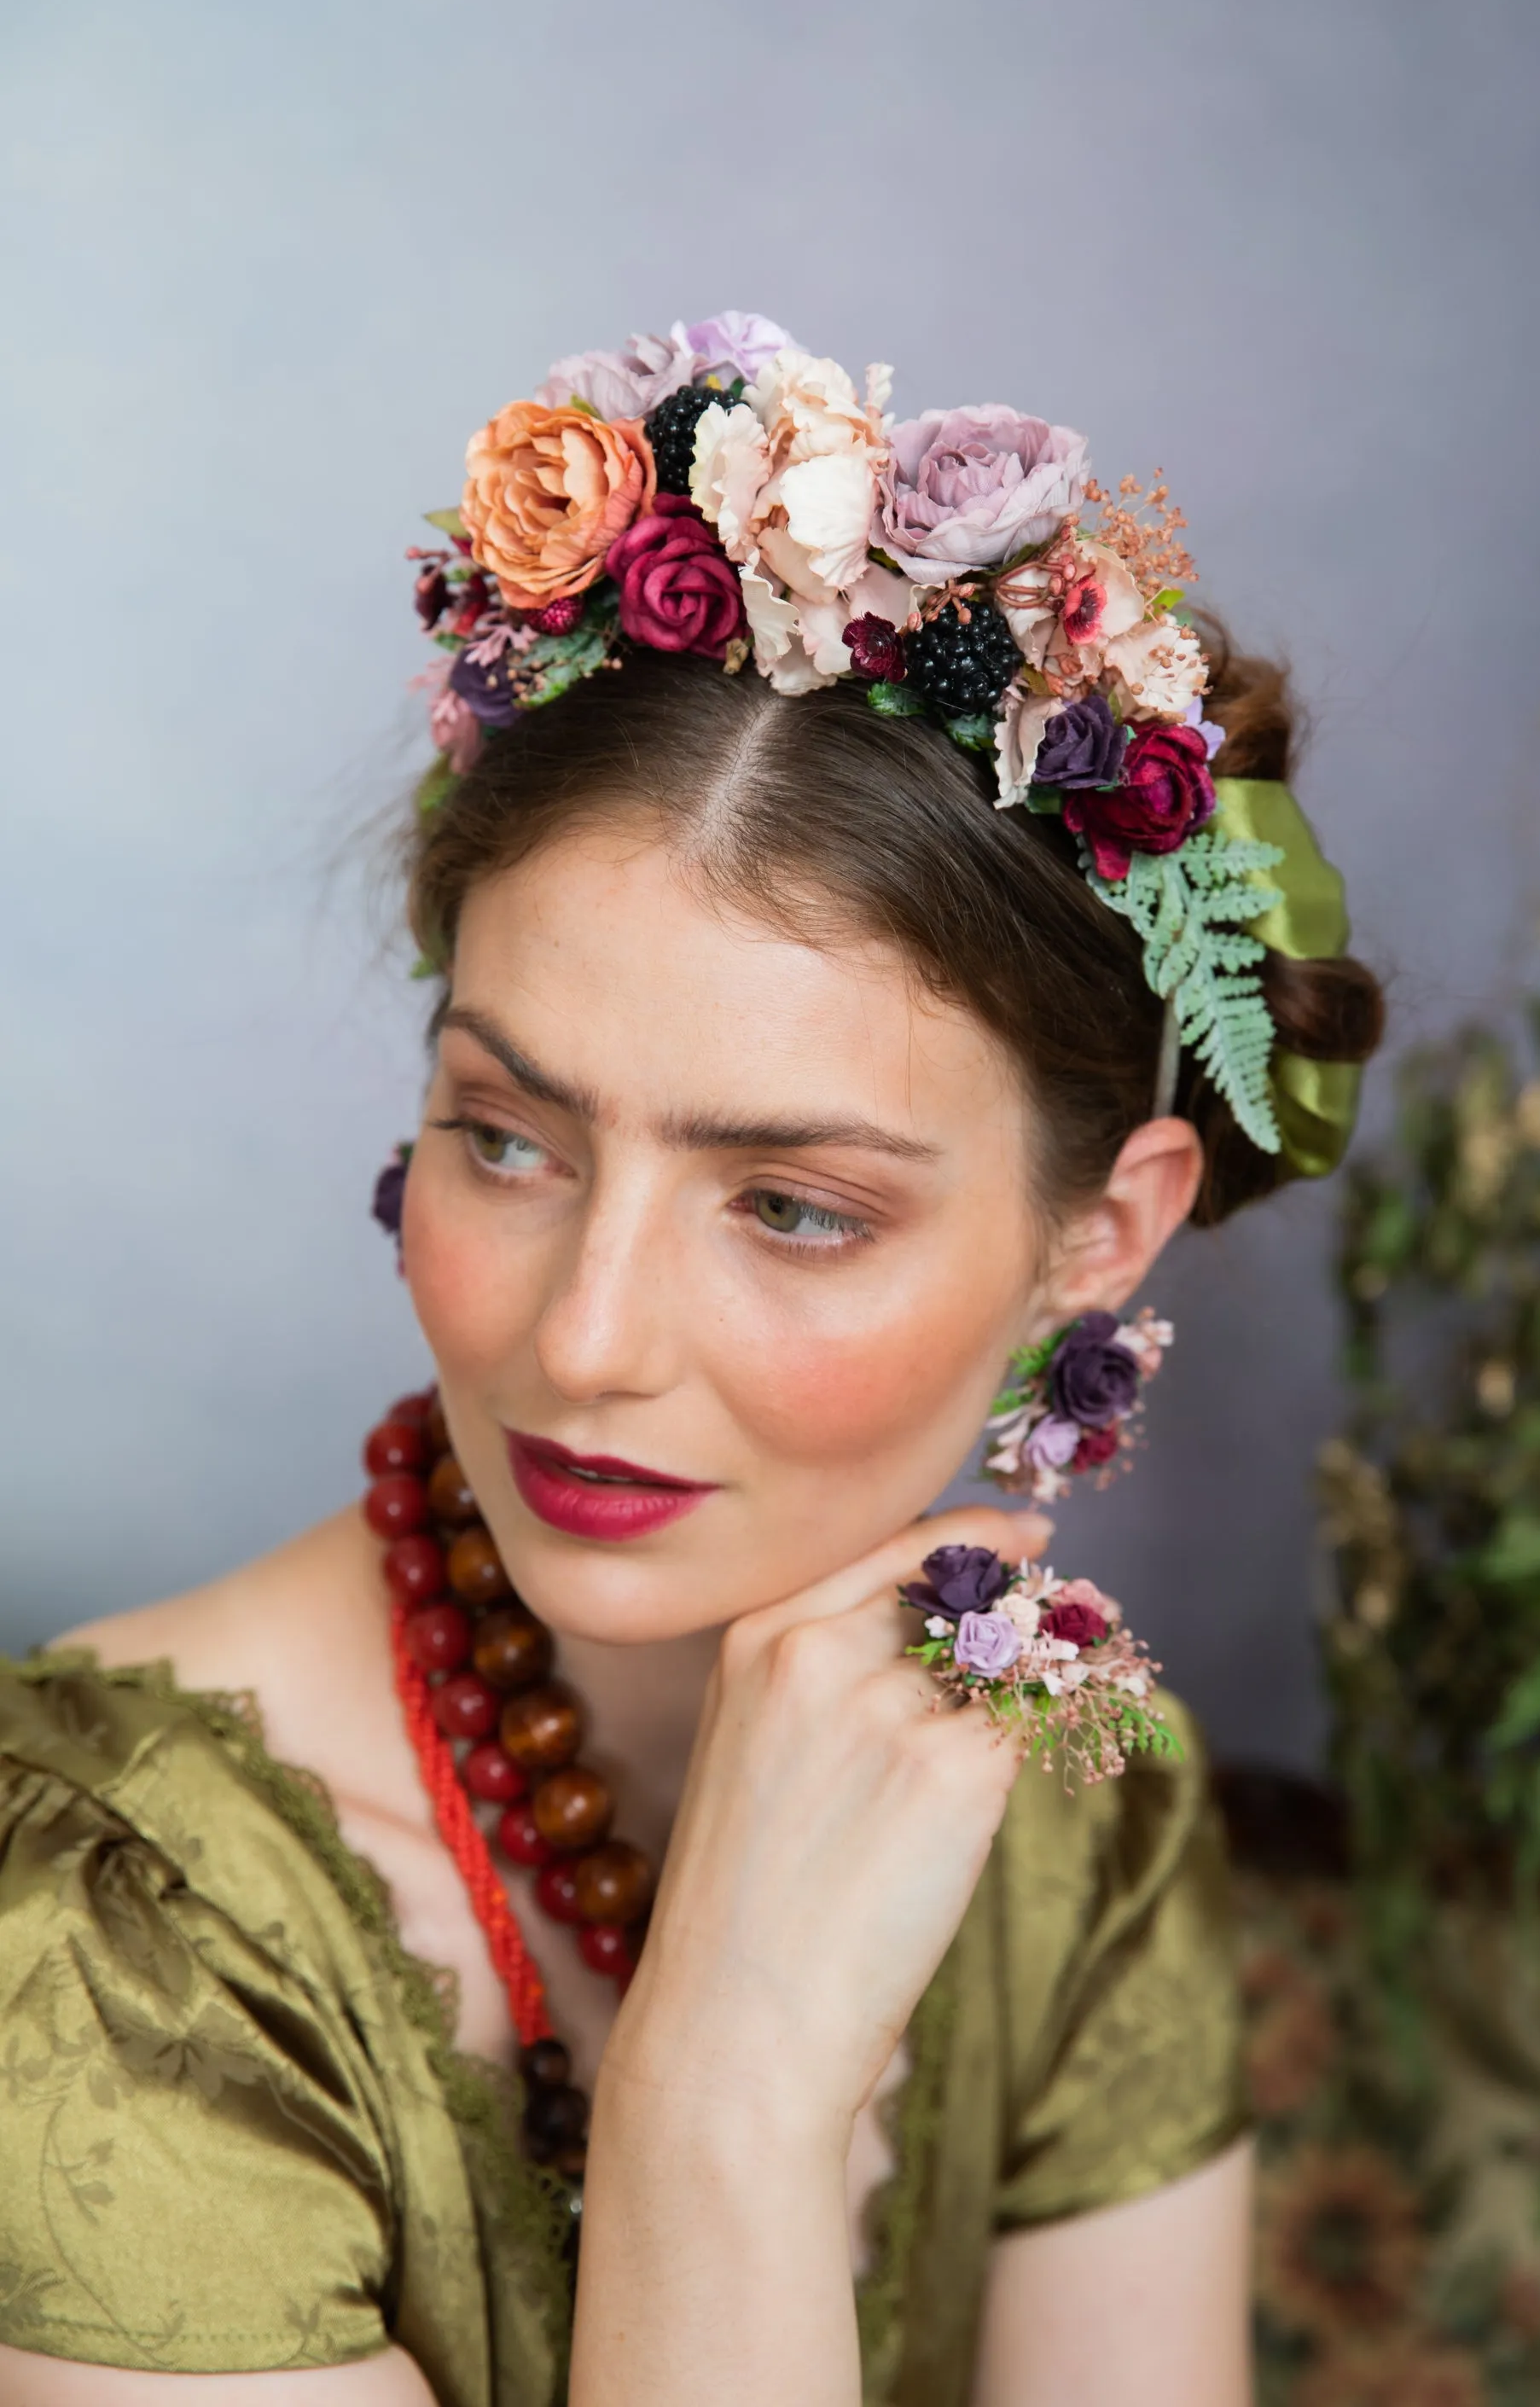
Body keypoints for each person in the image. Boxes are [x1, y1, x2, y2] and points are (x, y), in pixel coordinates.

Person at [0, 314, 1382, 2407]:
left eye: (793, 1205)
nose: (583, 1336)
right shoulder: (114, 1942)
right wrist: (719, 2102)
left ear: (1099, 1233)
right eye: (506, 1138)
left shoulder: (1072, 1812)